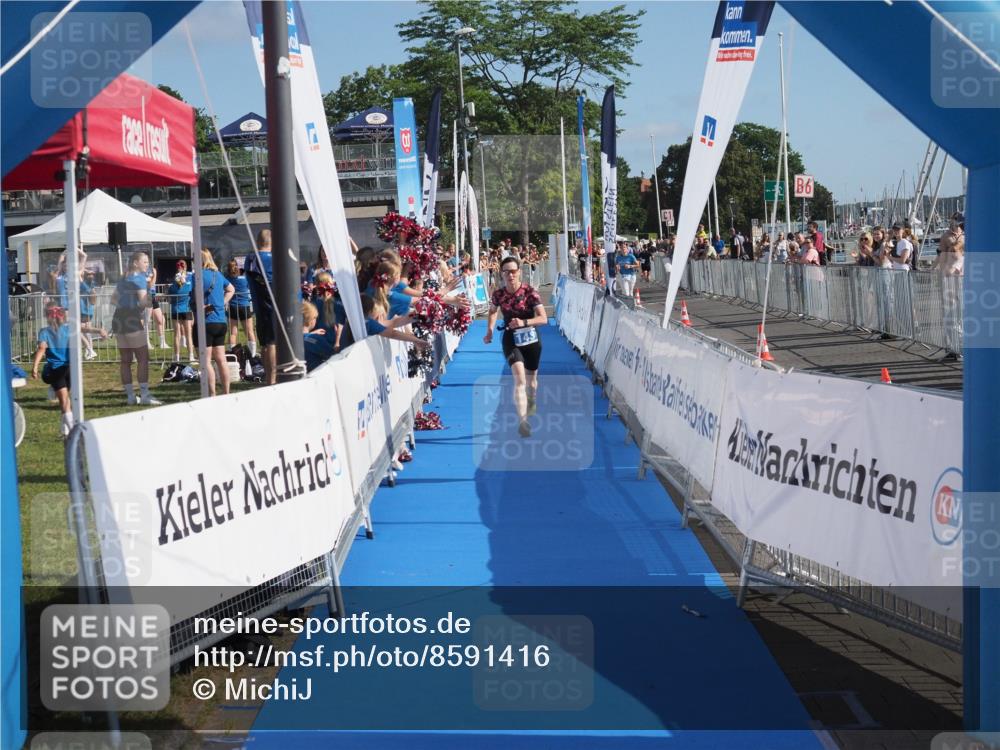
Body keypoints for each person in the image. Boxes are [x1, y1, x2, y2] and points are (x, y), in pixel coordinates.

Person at [483, 256, 547, 438]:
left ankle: (532, 399)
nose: (510, 275)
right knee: (520, 380)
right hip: (511, 339)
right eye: (506, 272)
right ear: (501, 274)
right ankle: (523, 421)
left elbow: (543, 318)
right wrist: (489, 331)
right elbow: (493, 311)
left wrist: (524, 321)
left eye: (513, 271)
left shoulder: (530, 292)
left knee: (532, 381)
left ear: (519, 272)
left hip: (532, 338)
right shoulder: (499, 294)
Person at [31, 303, 107, 437]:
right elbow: (85, 329)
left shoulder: (44, 332)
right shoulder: (69, 329)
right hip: (70, 370)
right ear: (63, 315)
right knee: (65, 400)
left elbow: (41, 349)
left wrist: (35, 366)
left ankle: (71, 431)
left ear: (47, 316)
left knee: (65, 402)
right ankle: (68, 430)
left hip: (56, 370)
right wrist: (99, 330)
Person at [112, 250, 161, 405]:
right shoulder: (139, 278)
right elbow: (143, 302)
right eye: (145, 261)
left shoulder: (123, 278)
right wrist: (151, 298)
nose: (147, 265)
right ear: (135, 263)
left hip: (118, 317)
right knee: (143, 358)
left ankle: (131, 396)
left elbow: (114, 300)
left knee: (125, 360)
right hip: (132, 319)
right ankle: (145, 395)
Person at [193, 249, 235, 397]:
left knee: (205, 361)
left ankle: (211, 394)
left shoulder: (197, 276)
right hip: (220, 322)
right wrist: (222, 303)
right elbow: (231, 289)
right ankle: (226, 392)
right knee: (221, 360)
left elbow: (191, 296)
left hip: (205, 322)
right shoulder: (218, 275)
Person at [244, 228, 277, 384]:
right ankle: (272, 379)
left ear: (257, 242)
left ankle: (267, 377)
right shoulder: (275, 258)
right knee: (271, 344)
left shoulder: (250, 259)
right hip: (273, 307)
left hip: (259, 306)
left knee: (264, 344)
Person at [937, 212, 965, 361]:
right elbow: (943, 254)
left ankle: (960, 349)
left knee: (956, 318)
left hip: (963, 280)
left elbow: (956, 253)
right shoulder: (946, 236)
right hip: (952, 277)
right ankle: (956, 348)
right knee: (951, 316)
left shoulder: (967, 236)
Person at [225, 258, 257, 356]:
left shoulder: (228, 279)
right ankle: (253, 354)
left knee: (233, 333)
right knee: (249, 331)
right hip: (244, 306)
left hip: (233, 307)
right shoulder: (245, 278)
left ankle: (232, 354)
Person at [167, 260, 195, 363]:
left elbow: (169, 300)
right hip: (186, 309)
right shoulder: (190, 280)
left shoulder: (173, 285)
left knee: (177, 335)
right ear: (185, 267)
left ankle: (177, 357)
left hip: (175, 310)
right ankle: (191, 356)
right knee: (188, 334)